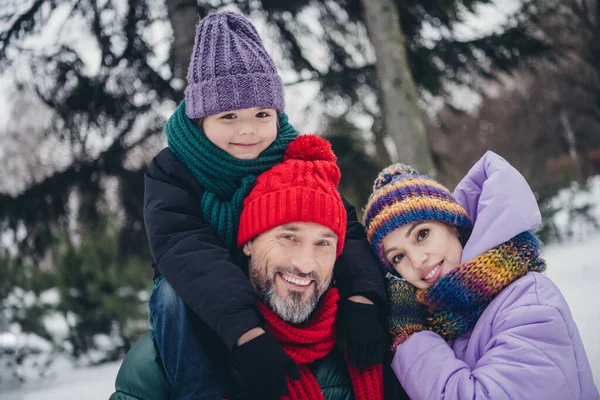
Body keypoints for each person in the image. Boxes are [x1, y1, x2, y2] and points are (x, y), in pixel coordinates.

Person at [144, 12, 387, 399]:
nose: (248, 130)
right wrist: (247, 333)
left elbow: (341, 228)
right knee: (171, 296)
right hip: (201, 295)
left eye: (262, 114)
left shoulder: (290, 157)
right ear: (201, 117)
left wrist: (363, 300)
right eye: (229, 116)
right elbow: (183, 246)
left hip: (278, 282)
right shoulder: (173, 169)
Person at [111, 135, 386, 400]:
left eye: (323, 243)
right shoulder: (159, 363)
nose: (304, 263)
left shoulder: (368, 339)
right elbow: (179, 239)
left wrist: (364, 301)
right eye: (288, 237)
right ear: (248, 243)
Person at [362, 151, 599, 400]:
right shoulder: (436, 317)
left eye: (422, 235)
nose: (417, 261)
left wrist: (412, 338)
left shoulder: (530, 302)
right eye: (397, 257)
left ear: (453, 226)